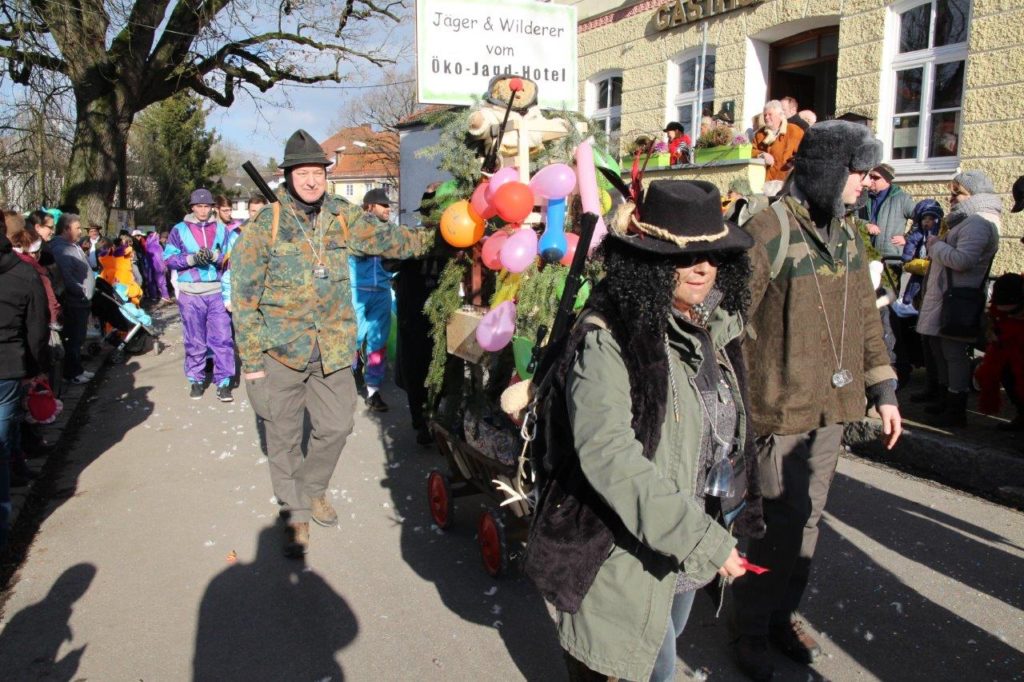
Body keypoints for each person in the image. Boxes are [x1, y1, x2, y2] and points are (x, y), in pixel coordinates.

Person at [536, 180, 762, 681]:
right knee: (642, 666)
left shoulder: (711, 327)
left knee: (665, 638)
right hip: (620, 552)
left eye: (714, 254)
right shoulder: (610, 340)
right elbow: (609, 456)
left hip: (681, 542)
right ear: (650, 260)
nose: (704, 268)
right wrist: (700, 539)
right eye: (685, 258)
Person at [732, 120, 902, 681]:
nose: (864, 182)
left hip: (833, 409)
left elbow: (868, 321)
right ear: (828, 171)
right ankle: (750, 629)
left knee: (807, 523)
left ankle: (781, 615)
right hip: (779, 412)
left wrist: (884, 390)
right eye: (857, 172)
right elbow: (726, 322)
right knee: (774, 525)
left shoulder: (852, 234)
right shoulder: (769, 229)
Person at [231, 129, 437, 557]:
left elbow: (391, 240)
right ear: (288, 176)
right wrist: (251, 362)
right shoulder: (264, 227)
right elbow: (244, 299)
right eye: (303, 173)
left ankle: (311, 487)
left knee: (337, 426)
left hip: (333, 350)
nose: (311, 180)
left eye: (318, 173)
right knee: (284, 439)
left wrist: (444, 237)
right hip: (280, 352)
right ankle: (296, 514)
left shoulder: (342, 215)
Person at [914, 171, 1002, 427]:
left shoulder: (978, 221)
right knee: (941, 349)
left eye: (957, 192)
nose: (951, 198)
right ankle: (945, 398)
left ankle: (955, 406)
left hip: (958, 299)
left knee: (953, 352)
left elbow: (963, 261)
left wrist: (935, 246)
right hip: (949, 296)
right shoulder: (968, 219)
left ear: (974, 195)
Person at [0, 233, 50, 548]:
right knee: (2, 443)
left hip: (9, 368)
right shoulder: (24, 272)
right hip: (8, 367)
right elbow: (36, 327)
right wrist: (34, 369)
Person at [394, 185, 453, 445]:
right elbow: (389, 261)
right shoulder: (412, 238)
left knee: (441, 370)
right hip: (413, 317)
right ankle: (421, 421)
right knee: (415, 371)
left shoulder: (455, 240)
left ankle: (436, 418)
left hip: (442, 319)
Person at [164, 188, 234, 401]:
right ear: (192, 207)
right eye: (199, 206)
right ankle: (196, 379)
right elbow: (168, 258)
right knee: (195, 339)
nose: (203, 211)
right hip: (190, 293)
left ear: (211, 207)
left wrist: (216, 256)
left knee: (223, 338)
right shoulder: (179, 229)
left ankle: (224, 383)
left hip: (216, 291)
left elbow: (231, 258)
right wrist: (191, 259)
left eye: (207, 206)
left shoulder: (222, 229)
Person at [349, 188, 398, 412]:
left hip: (381, 292)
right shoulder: (355, 230)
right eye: (383, 205)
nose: (388, 209)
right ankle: (346, 380)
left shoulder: (391, 231)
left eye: (388, 205)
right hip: (357, 290)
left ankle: (373, 391)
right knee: (354, 338)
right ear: (369, 206)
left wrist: (393, 275)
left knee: (378, 342)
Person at [49, 214, 95, 386]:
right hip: (75, 301)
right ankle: (72, 372)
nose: (80, 231)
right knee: (74, 338)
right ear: (66, 228)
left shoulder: (72, 246)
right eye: (77, 227)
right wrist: (81, 292)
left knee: (79, 337)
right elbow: (67, 277)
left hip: (82, 301)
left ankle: (78, 369)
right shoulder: (61, 249)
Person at [860, 163, 916, 260]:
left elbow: (923, 218)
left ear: (887, 179)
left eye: (876, 177)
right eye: (870, 176)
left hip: (890, 258)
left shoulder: (902, 199)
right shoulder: (862, 198)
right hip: (865, 256)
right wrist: (866, 225)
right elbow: (852, 218)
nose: (871, 180)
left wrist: (907, 238)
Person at [751, 100, 804, 182]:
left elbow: (803, 152)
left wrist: (791, 164)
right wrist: (762, 154)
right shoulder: (759, 134)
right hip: (765, 181)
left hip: (785, 181)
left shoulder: (793, 130)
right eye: (765, 115)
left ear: (780, 115)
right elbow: (751, 151)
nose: (766, 117)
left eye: (770, 114)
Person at [144, 230, 171, 304]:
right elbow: (161, 257)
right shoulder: (158, 247)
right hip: (159, 267)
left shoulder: (148, 246)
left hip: (150, 267)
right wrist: (165, 266)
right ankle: (165, 296)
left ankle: (154, 296)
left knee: (151, 281)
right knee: (162, 282)